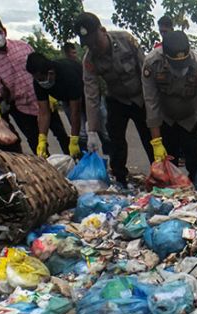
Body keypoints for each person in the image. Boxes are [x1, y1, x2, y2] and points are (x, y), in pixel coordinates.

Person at [75, 11, 154, 184]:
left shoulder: (126, 40)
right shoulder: (89, 59)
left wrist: (152, 106)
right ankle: (120, 178)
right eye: (88, 44)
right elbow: (91, 95)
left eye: (95, 41)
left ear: (102, 30)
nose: (93, 47)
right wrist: (92, 130)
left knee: (150, 139)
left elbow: (146, 73)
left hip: (140, 97)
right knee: (116, 141)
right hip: (116, 99)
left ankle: (159, 174)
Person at [0, 13, 68, 154]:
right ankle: (46, 170)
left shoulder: (23, 47)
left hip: (43, 100)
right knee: (36, 142)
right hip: (22, 108)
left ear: (4, 30)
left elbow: (42, 66)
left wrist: (51, 93)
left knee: (61, 135)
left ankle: (74, 163)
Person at [142, 30, 197, 180]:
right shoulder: (152, 63)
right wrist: (156, 142)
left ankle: (195, 195)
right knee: (168, 163)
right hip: (166, 119)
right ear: (165, 56)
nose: (180, 70)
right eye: (176, 65)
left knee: (194, 161)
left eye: (183, 65)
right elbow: (151, 102)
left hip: (190, 119)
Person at [25, 52, 85, 158]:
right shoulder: (38, 82)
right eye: (37, 79)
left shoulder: (68, 74)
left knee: (101, 131)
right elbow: (44, 113)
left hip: (87, 95)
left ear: (51, 73)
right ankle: (86, 163)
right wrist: (42, 139)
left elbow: (75, 112)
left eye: (41, 79)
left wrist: (74, 139)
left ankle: (112, 164)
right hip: (67, 99)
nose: (40, 82)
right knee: (82, 136)